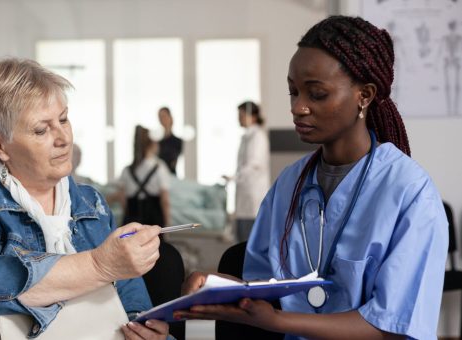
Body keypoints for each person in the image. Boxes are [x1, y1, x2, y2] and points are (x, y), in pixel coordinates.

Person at [176, 15, 448, 339]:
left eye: (316, 94)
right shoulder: (290, 184)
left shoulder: (410, 193)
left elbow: (391, 325)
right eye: (293, 92)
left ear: (365, 95)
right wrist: (215, 285)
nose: (298, 108)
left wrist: (278, 323)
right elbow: (266, 287)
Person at [0, 58, 169, 340]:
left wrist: (144, 326)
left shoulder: (93, 204)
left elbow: (130, 298)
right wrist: (98, 266)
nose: (64, 137)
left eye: (63, 119)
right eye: (42, 130)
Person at [224, 101, 271, 242]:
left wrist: (234, 177)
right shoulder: (247, 136)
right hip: (245, 196)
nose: (239, 118)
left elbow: (254, 165)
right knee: (242, 237)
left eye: (242, 115)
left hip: (253, 197)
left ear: (254, 116)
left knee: (249, 239)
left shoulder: (257, 136)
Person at [117, 125, 171, 227]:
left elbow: (122, 199)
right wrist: (167, 224)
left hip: (131, 219)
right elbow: (165, 201)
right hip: (154, 220)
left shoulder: (126, 170)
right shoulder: (160, 167)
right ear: (153, 144)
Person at [158, 107, 183, 175]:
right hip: (158, 177)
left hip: (171, 177)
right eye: (160, 117)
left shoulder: (178, 141)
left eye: (164, 116)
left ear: (170, 117)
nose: (162, 119)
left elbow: (172, 161)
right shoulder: (157, 142)